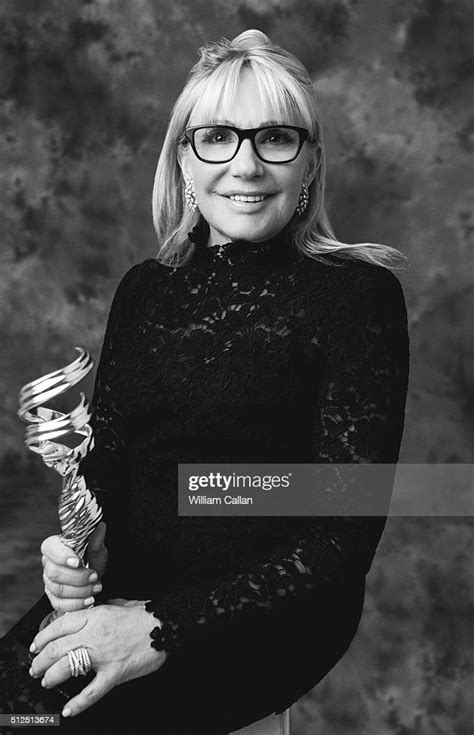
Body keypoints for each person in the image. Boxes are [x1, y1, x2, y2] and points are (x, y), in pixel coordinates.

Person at [8, 29, 409, 735]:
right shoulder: (144, 291)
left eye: (276, 138)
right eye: (217, 137)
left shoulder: (357, 297)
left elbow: (339, 542)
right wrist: (77, 553)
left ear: (310, 163)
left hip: (269, 613)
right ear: (185, 162)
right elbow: (109, 476)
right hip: (129, 594)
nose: (246, 165)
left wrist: (159, 628)